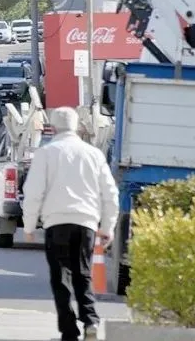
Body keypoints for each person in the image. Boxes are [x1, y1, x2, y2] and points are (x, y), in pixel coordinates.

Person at [21, 107, 119, 341]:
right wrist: (108, 226)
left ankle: (69, 330)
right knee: (83, 274)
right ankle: (91, 321)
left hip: (56, 222)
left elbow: (33, 191)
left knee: (60, 277)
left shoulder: (46, 153)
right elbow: (110, 193)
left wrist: (29, 226)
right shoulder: (93, 154)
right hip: (86, 222)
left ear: (53, 127)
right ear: (77, 126)